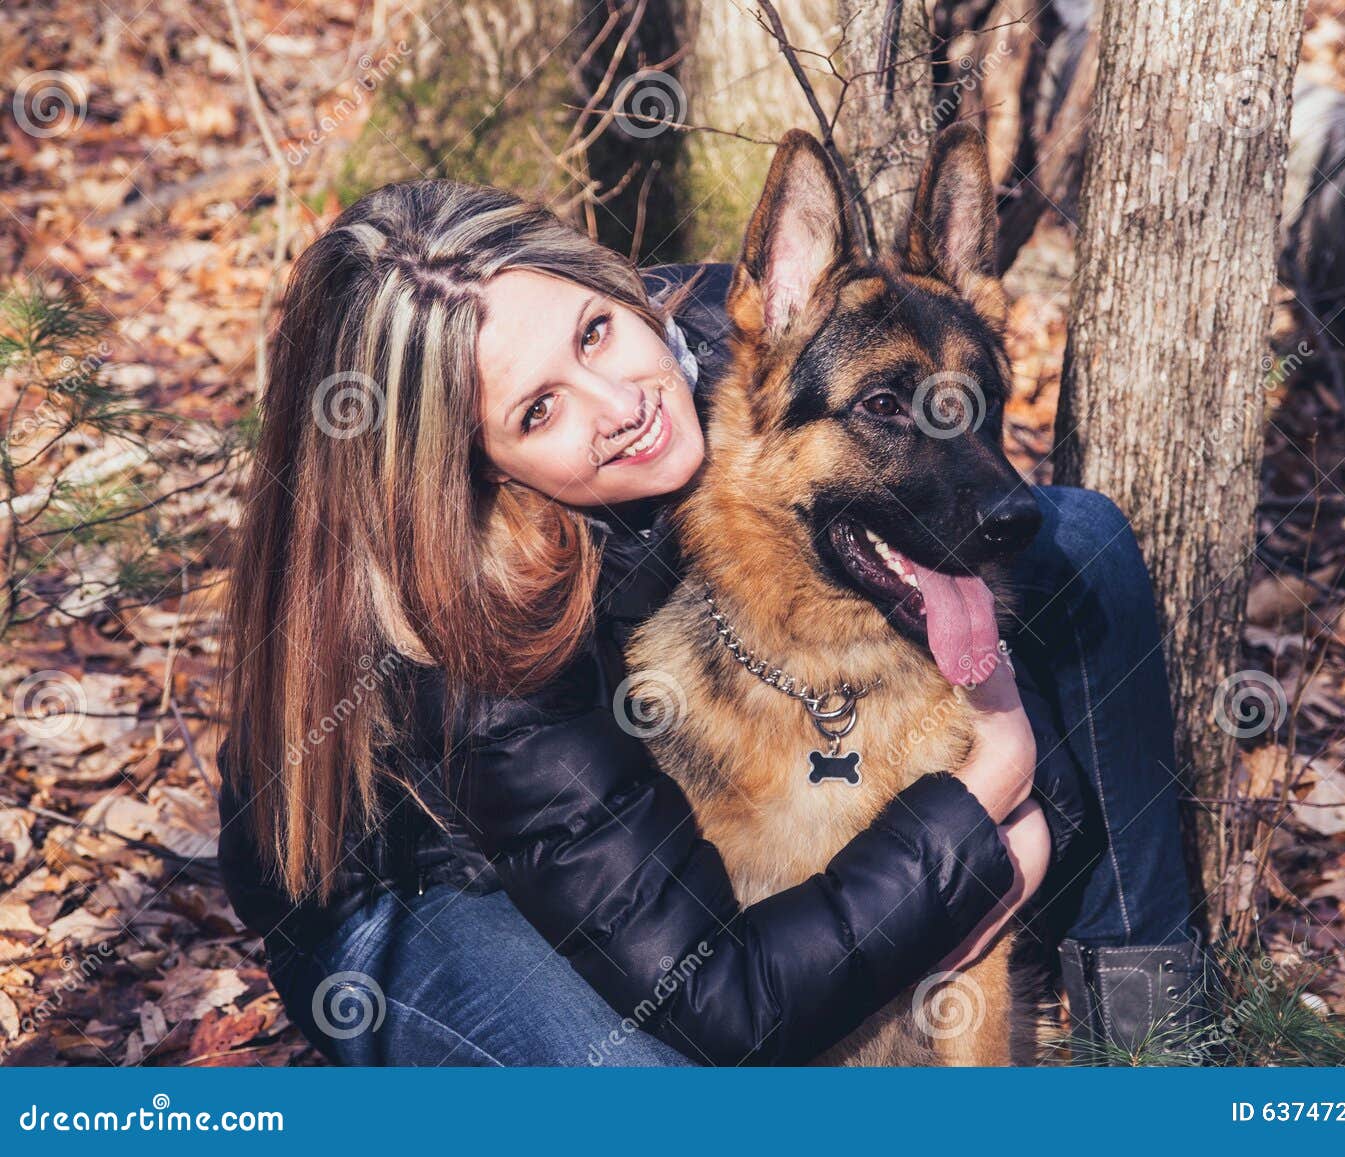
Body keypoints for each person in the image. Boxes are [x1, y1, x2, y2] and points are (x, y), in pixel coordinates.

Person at [216, 179, 1205, 1066]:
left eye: (595, 330)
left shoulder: (754, 325)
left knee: (1079, 537)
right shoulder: (475, 632)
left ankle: (1161, 1038)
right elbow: (720, 1001)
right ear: (468, 468)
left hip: (595, 828)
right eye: (537, 411)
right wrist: (986, 810)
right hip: (426, 893)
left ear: (613, 281)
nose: (622, 404)